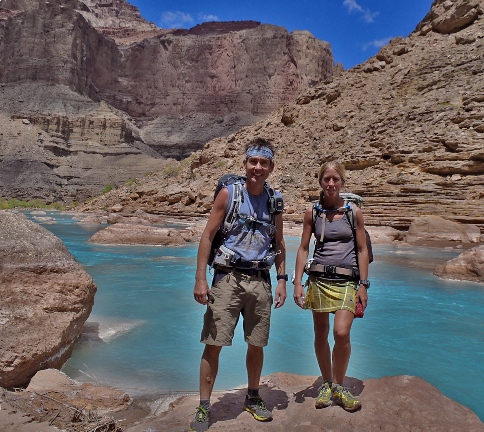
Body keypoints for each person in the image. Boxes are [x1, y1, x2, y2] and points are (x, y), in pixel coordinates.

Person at [190, 138, 287, 431]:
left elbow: (279, 242)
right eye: (253, 161)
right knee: (214, 343)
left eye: (264, 162)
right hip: (227, 279)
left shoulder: (275, 200)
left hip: (260, 281)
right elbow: (208, 235)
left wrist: (282, 279)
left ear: (271, 167)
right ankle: (205, 407)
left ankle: (253, 397)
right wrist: (200, 279)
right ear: (245, 163)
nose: (258, 167)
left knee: (256, 343)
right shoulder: (228, 194)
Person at [293, 161, 369, 412]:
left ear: (342, 182)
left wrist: (364, 285)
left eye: (335, 179)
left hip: (347, 281)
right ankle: (327, 383)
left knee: (341, 333)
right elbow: (303, 248)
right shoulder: (312, 212)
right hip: (319, 280)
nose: (331, 183)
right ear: (320, 182)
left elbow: (361, 249)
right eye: (326, 179)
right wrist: (297, 284)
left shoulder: (353, 212)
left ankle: (339, 385)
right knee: (320, 333)